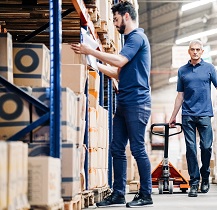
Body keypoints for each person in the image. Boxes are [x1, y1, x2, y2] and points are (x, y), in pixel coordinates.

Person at [71, 1, 153, 207]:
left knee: (137, 149)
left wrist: (91, 51)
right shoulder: (129, 41)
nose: (114, 24)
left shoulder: (136, 38)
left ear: (126, 16)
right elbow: (118, 72)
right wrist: (94, 64)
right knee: (117, 148)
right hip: (125, 101)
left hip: (137, 102)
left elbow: (118, 62)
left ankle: (146, 194)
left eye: (116, 20)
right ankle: (118, 193)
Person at [168, 40, 217, 197]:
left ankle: (205, 174)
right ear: (189, 51)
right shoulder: (182, 71)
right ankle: (194, 182)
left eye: (198, 50)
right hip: (187, 115)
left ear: (202, 52)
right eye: (192, 49)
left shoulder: (209, 68)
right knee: (191, 149)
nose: (195, 52)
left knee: (206, 147)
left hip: (205, 114)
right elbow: (180, 95)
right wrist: (173, 116)